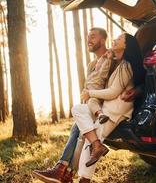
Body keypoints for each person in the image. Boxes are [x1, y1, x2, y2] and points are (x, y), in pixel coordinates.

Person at [32, 28, 145, 183]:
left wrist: (138, 89)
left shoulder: (116, 60)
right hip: (98, 105)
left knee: (84, 135)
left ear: (102, 40)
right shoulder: (92, 64)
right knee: (78, 117)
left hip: (111, 108)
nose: (89, 40)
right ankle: (66, 170)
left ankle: (68, 172)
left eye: (93, 37)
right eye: (87, 37)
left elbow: (131, 78)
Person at [72, 33, 145, 182]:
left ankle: (84, 179)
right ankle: (97, 145)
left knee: (89, 140)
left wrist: (90, 93)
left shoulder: (126, 65)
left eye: (119, 39)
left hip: (116, 109)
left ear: (125, 45)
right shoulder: (115, 61)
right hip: (105, 108)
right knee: (77, 109)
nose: (114, 40)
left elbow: (114, 92)